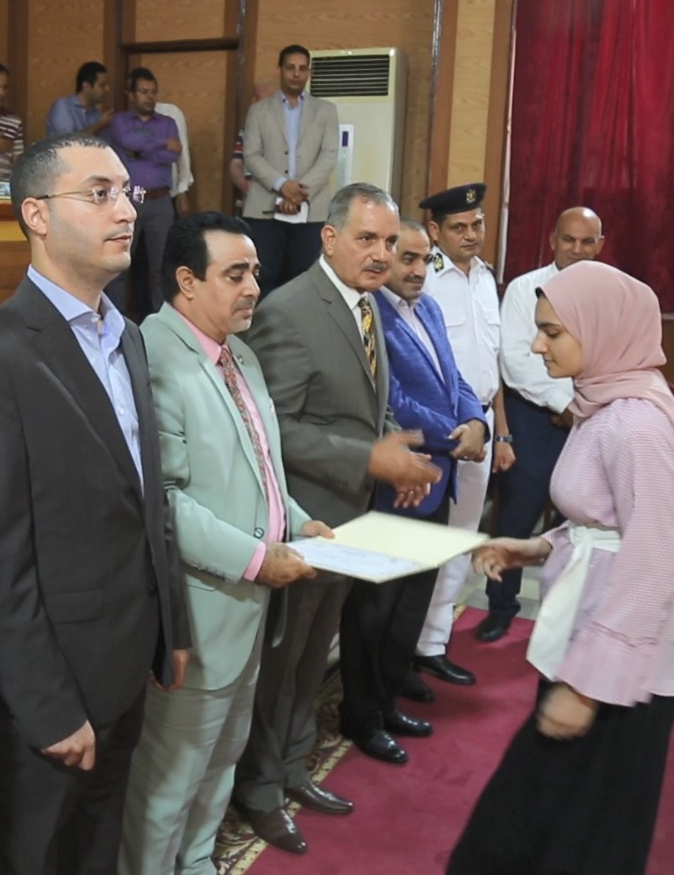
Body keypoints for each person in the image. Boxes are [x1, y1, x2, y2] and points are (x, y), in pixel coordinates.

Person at [0, 132, 189, 874]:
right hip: (47, 696)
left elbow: (148, 499)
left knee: (97, 855)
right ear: (36, 215)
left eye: (128, 193)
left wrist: (169, 624)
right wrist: (46, 707)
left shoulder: (127, 336)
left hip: (125, 666)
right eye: (99, 194)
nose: (127, 211)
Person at [450, 261, 674, 874]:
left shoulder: (636, 425)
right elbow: (607, 520)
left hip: (618, 661)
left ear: (602, 329)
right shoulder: (606, 403)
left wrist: (587, 686)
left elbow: (650, 561)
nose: (538, 345)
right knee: (546, 814)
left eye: (553, 332)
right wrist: (537, 547)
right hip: (592, 638)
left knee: (584, 830)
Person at [119, 212, 343, 875]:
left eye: (256, 273)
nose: (253, 288)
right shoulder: (153, 355)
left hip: (249, 605)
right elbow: (163, 499)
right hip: (198, 608)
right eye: (236, 274)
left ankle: (196, 863)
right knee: (170, 778)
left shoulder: (238, 352)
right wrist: (255, 558)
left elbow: (260, 467)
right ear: (187, 281)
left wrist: (298, 522)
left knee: (221, 760)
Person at [233, 183, 440, 854]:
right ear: (329, 237)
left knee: (312, 661)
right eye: (367, 239)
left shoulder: (368, 302)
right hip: (305, 524)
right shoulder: (289, 311)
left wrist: (391, 455)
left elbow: (365, 403)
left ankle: (294, 768)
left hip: (350, 518)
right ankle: (259, 790)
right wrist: (367, 458)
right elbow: (275, 429)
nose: (382, 254)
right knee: (282, 666)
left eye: (390, 241)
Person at [371, 219, 489, 717]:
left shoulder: (430, 308)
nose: (419, 270)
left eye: (425, 259)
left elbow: (455, 379)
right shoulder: (372, 315)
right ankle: (374, 703)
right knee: (384, 604)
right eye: (408, 259)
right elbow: (393, 400)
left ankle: (399, 677)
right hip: (405, 478)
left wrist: (477, 422)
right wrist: (456, 436)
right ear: (384, 257)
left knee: (417, 593)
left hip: (440, 477)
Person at [482, 207, 606, 652]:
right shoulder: (524, 289)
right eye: (569, 239)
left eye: (587, 241)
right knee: (517, 517)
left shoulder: (611, 293)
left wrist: (582, 407)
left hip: (593, 418)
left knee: (585, 523)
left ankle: (572, 616)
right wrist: (563, 404)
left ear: (600, 246)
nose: (577, 249)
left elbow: (611, 356)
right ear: (553, 240)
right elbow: (517, 360)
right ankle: (500, 608)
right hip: (534, 417)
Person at [418, 184, 515, 646]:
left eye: (477, 224)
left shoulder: (485, 277)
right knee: (425, 538)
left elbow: (492, 362)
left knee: (462, 534)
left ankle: (435, 640)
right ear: (435, 231)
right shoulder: (424, 279)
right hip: (440, 425)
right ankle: (412, 636)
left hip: (484, 421)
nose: (472, 234)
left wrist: (503, 433)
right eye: (459, 227)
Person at [240, 46, 339, 295]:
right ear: (280, 70)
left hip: (311, 209)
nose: (296, 74)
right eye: (290, 68)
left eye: (302, 68)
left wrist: (299, 192)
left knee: (305, 281)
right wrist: (282, 186)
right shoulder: (258, 111)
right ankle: (262, 323)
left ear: (309, 72)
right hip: (264, 210)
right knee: (262, 278)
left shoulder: (326, 110)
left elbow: (329, 155)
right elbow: (251, 155)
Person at [107, 67, 181, 315]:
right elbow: (127, 141)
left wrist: (140, 151)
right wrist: (161, 143)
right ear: (131, 95)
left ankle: (163, 322)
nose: (150, 97)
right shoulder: (120, 121)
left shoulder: (168, 122)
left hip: (160, 202)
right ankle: (116, 321)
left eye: (153, 92)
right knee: (118, 266)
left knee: (162, 267)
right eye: (143, 91)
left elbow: (174, 154)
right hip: (128, 200)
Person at [46, 61, 113, 137]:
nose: (108, 89)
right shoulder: (63, 106)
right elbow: (68, 141)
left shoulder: (98, 115)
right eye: (102, 85)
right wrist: (100, 125)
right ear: (86, 86)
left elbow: (104, 143)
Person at [156, 99, 194, 215]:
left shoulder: (170, 112)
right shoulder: (123, 119)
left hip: (167, 193)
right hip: (135, 193)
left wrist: (182, 188)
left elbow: (183, 153)